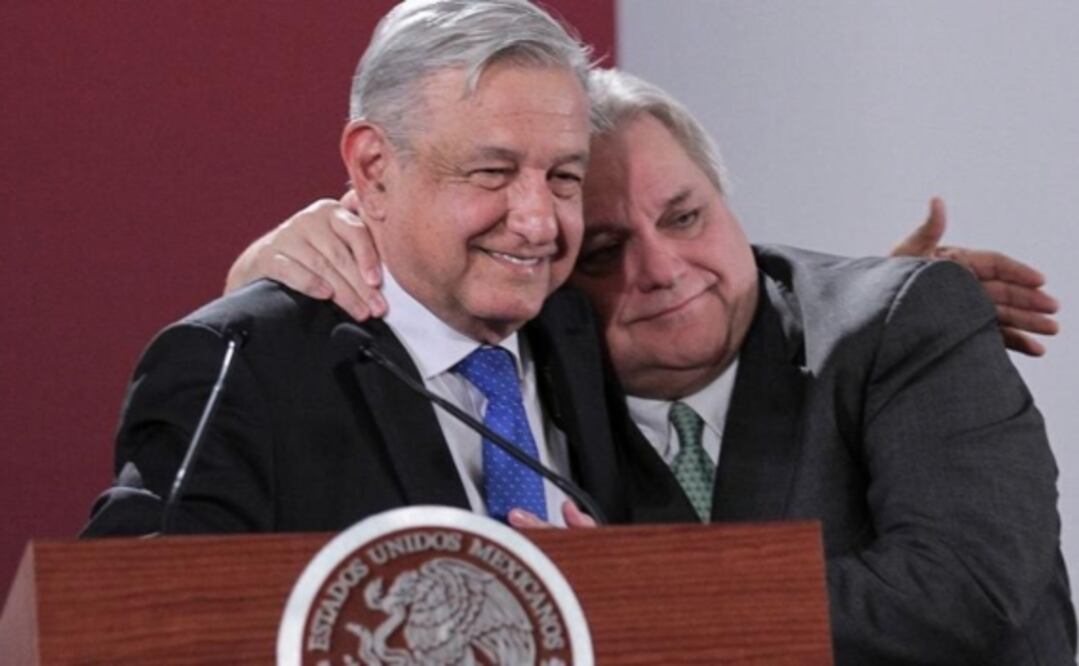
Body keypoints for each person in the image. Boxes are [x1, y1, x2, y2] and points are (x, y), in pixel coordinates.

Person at [228, 67, 1075, 664]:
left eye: (684, 216)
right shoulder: (526, 395)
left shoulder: (895, 327)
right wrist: (269, 282)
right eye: (604, 251)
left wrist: (642, 593)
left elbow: (966, 592)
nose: (662, 269)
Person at [81, 0, 634, 537]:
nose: (539, 223)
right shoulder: (240, 368)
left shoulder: (590, 327)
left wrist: (615, 582)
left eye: (564, 177)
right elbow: (130, 593)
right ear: (374, 168)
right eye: (492, 172)